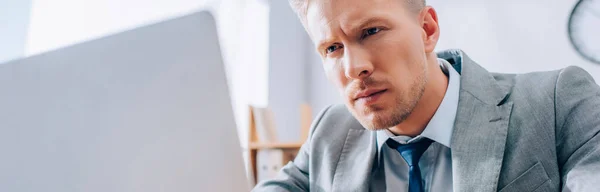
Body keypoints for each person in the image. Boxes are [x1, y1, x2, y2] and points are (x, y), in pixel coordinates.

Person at [252, 0, 600, 191]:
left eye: (371, 31)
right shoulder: (331, 130)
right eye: (332, 48)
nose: (353, 67)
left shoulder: (557, 101)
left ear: (427, 30)